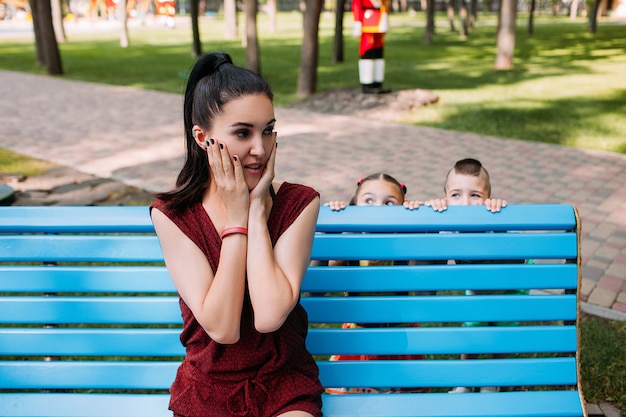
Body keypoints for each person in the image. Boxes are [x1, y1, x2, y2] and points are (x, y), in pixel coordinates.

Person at [150, 52, 324, 417]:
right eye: (243, 133)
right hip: (208, 390)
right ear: (202, 137)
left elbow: (269, 315)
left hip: (283, 385)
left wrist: (257, 210)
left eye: (269, 130)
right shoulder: (174, 216)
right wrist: (236, 218)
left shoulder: (299, 203)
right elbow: (224, 328)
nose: (260, 149)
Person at [423, 158, 527, 394]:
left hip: (511, 286)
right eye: (456, 195)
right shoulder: (448, 222)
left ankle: (492, 379)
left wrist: (502, 214)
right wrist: (432, 213)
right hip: (478, 287)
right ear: (446, 198)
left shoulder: (495, 217)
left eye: (476, 196)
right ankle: (467, 380)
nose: (466, 204)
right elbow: (428, 238)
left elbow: (520, 246)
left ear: (488, 199)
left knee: (501, 333)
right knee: (472, 332)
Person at [322, 173, 427, 394]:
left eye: (389, 203)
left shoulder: (402, 246)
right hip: (358, 337)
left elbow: (422, 283)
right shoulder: (350, 244)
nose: (378, 208)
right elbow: (332, 274)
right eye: (368, 200)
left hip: (397, 337)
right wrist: (339, 226)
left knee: (399, 401)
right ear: (354, 206)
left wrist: (416, 225)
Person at [352, 0, 391, 94]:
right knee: (367, 50)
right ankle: (367, 84)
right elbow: (356, 3)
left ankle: (378, 83)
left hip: (380, 18)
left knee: (379, 52)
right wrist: (357, 21)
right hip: (367, 20)